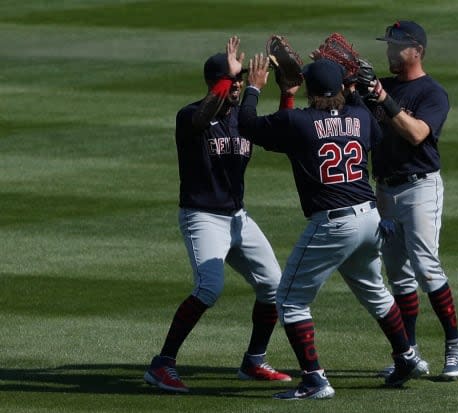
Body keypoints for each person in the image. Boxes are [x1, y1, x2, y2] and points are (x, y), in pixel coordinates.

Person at [238, 55, 420, 400]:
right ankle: (407, 355)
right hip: (370, 219)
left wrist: (254, 88)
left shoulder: (300, 122)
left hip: (334, 224)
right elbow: (376, 132)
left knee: (289, 301)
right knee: (376, 292)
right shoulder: (362, 116)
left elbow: (248, 126)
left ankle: (314, 379)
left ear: (309, 89)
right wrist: (352, 94)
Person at [143, 36, 291, 394]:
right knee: (209, 288)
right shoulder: (191, 116)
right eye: (232, 81)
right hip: (203, 217)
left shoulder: (243, 119)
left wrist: (288, 91)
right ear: (216, 82)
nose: (238, 87)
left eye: (240, 82)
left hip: (238, 217)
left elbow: (285, 131)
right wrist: (229, 76)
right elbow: (203, 116)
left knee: (274, 286)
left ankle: (254, 361)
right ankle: (162, 365)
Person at [364, 20, 458, 380]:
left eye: (397, 46)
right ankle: (408, 355)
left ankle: (456, 345)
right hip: (385, 189)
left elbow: (417, 134)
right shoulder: (384, 86)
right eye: (388, 45)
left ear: (417, 50)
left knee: (425, 265)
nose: (390, 52)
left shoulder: (432, 93)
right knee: (398, 275)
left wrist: (381, 97)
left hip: (420, 188)